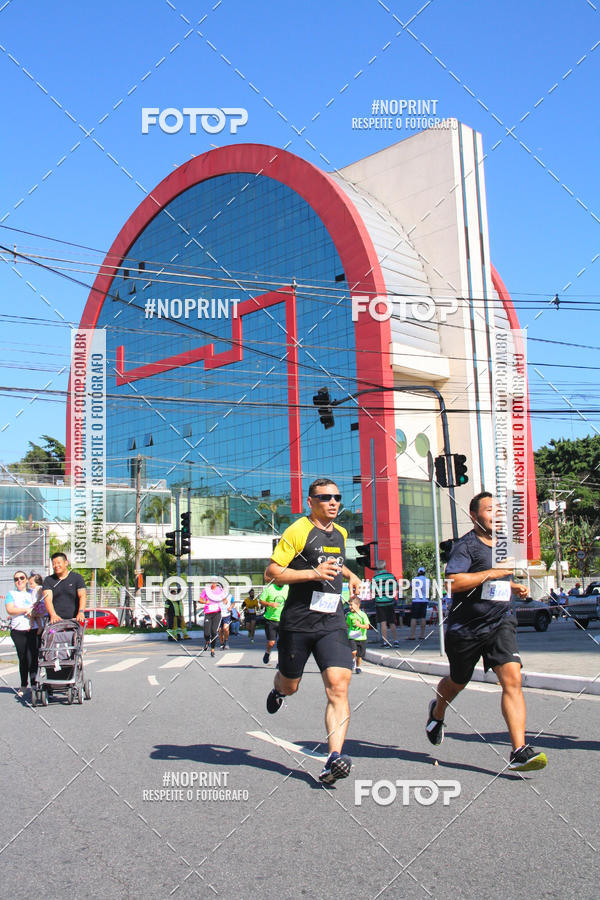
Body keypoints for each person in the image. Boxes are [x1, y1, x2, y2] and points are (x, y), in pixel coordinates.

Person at [425, 492, 547, 772]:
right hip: (466, 628)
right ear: (474, 515)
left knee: (512, 679)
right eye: (490, 510)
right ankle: (437, 711)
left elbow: (500, 578)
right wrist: (490, 574)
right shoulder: (465, 546)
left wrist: (513, 586)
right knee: (457, 681)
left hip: (500, 622)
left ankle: (519, 750)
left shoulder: (505, 545)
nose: (497, 515)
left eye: (500, 510)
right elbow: (452, 583)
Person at [264, 478, 361, 785]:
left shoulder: (342, 533)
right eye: (325, 497)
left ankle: (333, 757)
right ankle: (279, 689)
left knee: (338, 685)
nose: (333, 502)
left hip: (331, 620)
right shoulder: (298, 531)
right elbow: (272, 573)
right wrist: (312, 574)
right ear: (311, 501)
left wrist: (352, 574)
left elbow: (336, 562)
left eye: (337, 497)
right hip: (298, 622)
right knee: (291, 684)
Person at [6, 570, 38, 697]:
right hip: (18, 630)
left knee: (33, 657)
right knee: (23, 657)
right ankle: (24, 685)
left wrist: (33, 613)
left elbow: (39, 607)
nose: (19, 581)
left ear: (26, 580)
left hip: (33, 629)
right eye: (16, 579)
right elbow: (10, 610)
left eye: (21, 578)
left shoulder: (33, 593)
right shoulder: (11, 594)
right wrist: (25, 609)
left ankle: (34, 684)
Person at [42, 553, 86, 625]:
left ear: (66, 563)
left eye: (58, 563)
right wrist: (53, 615)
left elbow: (82, 596)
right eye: (54, 564)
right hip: (56, 621)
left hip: (74, 621)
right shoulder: (48, 580)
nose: (56, 566)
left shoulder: (77, 578)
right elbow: (48, 600)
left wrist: (81, 612)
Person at [259, 581, 288, 664]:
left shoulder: (287, 587)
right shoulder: (269, 589)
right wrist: (270, 604)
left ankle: (280, 662)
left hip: (283, 620)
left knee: (282, 643)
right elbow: (261, 601)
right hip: (271, 620)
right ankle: (267, 653)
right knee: (271, 643)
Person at [371, 569, 399, 646]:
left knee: (383, 623)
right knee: (392, 622)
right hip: (390, 602)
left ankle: (385, 642)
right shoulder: (391, 576)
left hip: (380, 603)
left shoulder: (375, 578)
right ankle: (395, 640)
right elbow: (396, 586)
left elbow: (372, 590)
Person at [346, 597, 370, 673]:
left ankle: (358, 667)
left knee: (360, 655)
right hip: (352, 636)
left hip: (361, 637)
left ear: (358, 605)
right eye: (349, 605)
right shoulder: (349, 615)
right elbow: (348, 624)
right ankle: (352, 660)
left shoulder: (363, 615)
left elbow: (367, 626)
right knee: (353, 652)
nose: (350, 607)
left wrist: (359, 625)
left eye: (351, 605)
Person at [200, 583, 224, 657]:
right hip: (208, 613)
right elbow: (200, 599)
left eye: (215, 582)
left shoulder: (220, 590)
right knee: (206, 633)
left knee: (214, 631)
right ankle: (207, 641)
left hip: (217, 613)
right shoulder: (206, 590)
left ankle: (212, 649)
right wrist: (205, 602)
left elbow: (224, 597)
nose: (214, 584)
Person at [409, 566, 430, 641]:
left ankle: (412, 635)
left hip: (416, 600)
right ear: (424, 573)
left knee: (413, 618)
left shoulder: (415, 579)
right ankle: (422, 635)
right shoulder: (428, 580)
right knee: (423, 617)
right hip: (424, 600)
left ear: (418, 572)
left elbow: (410, 586)